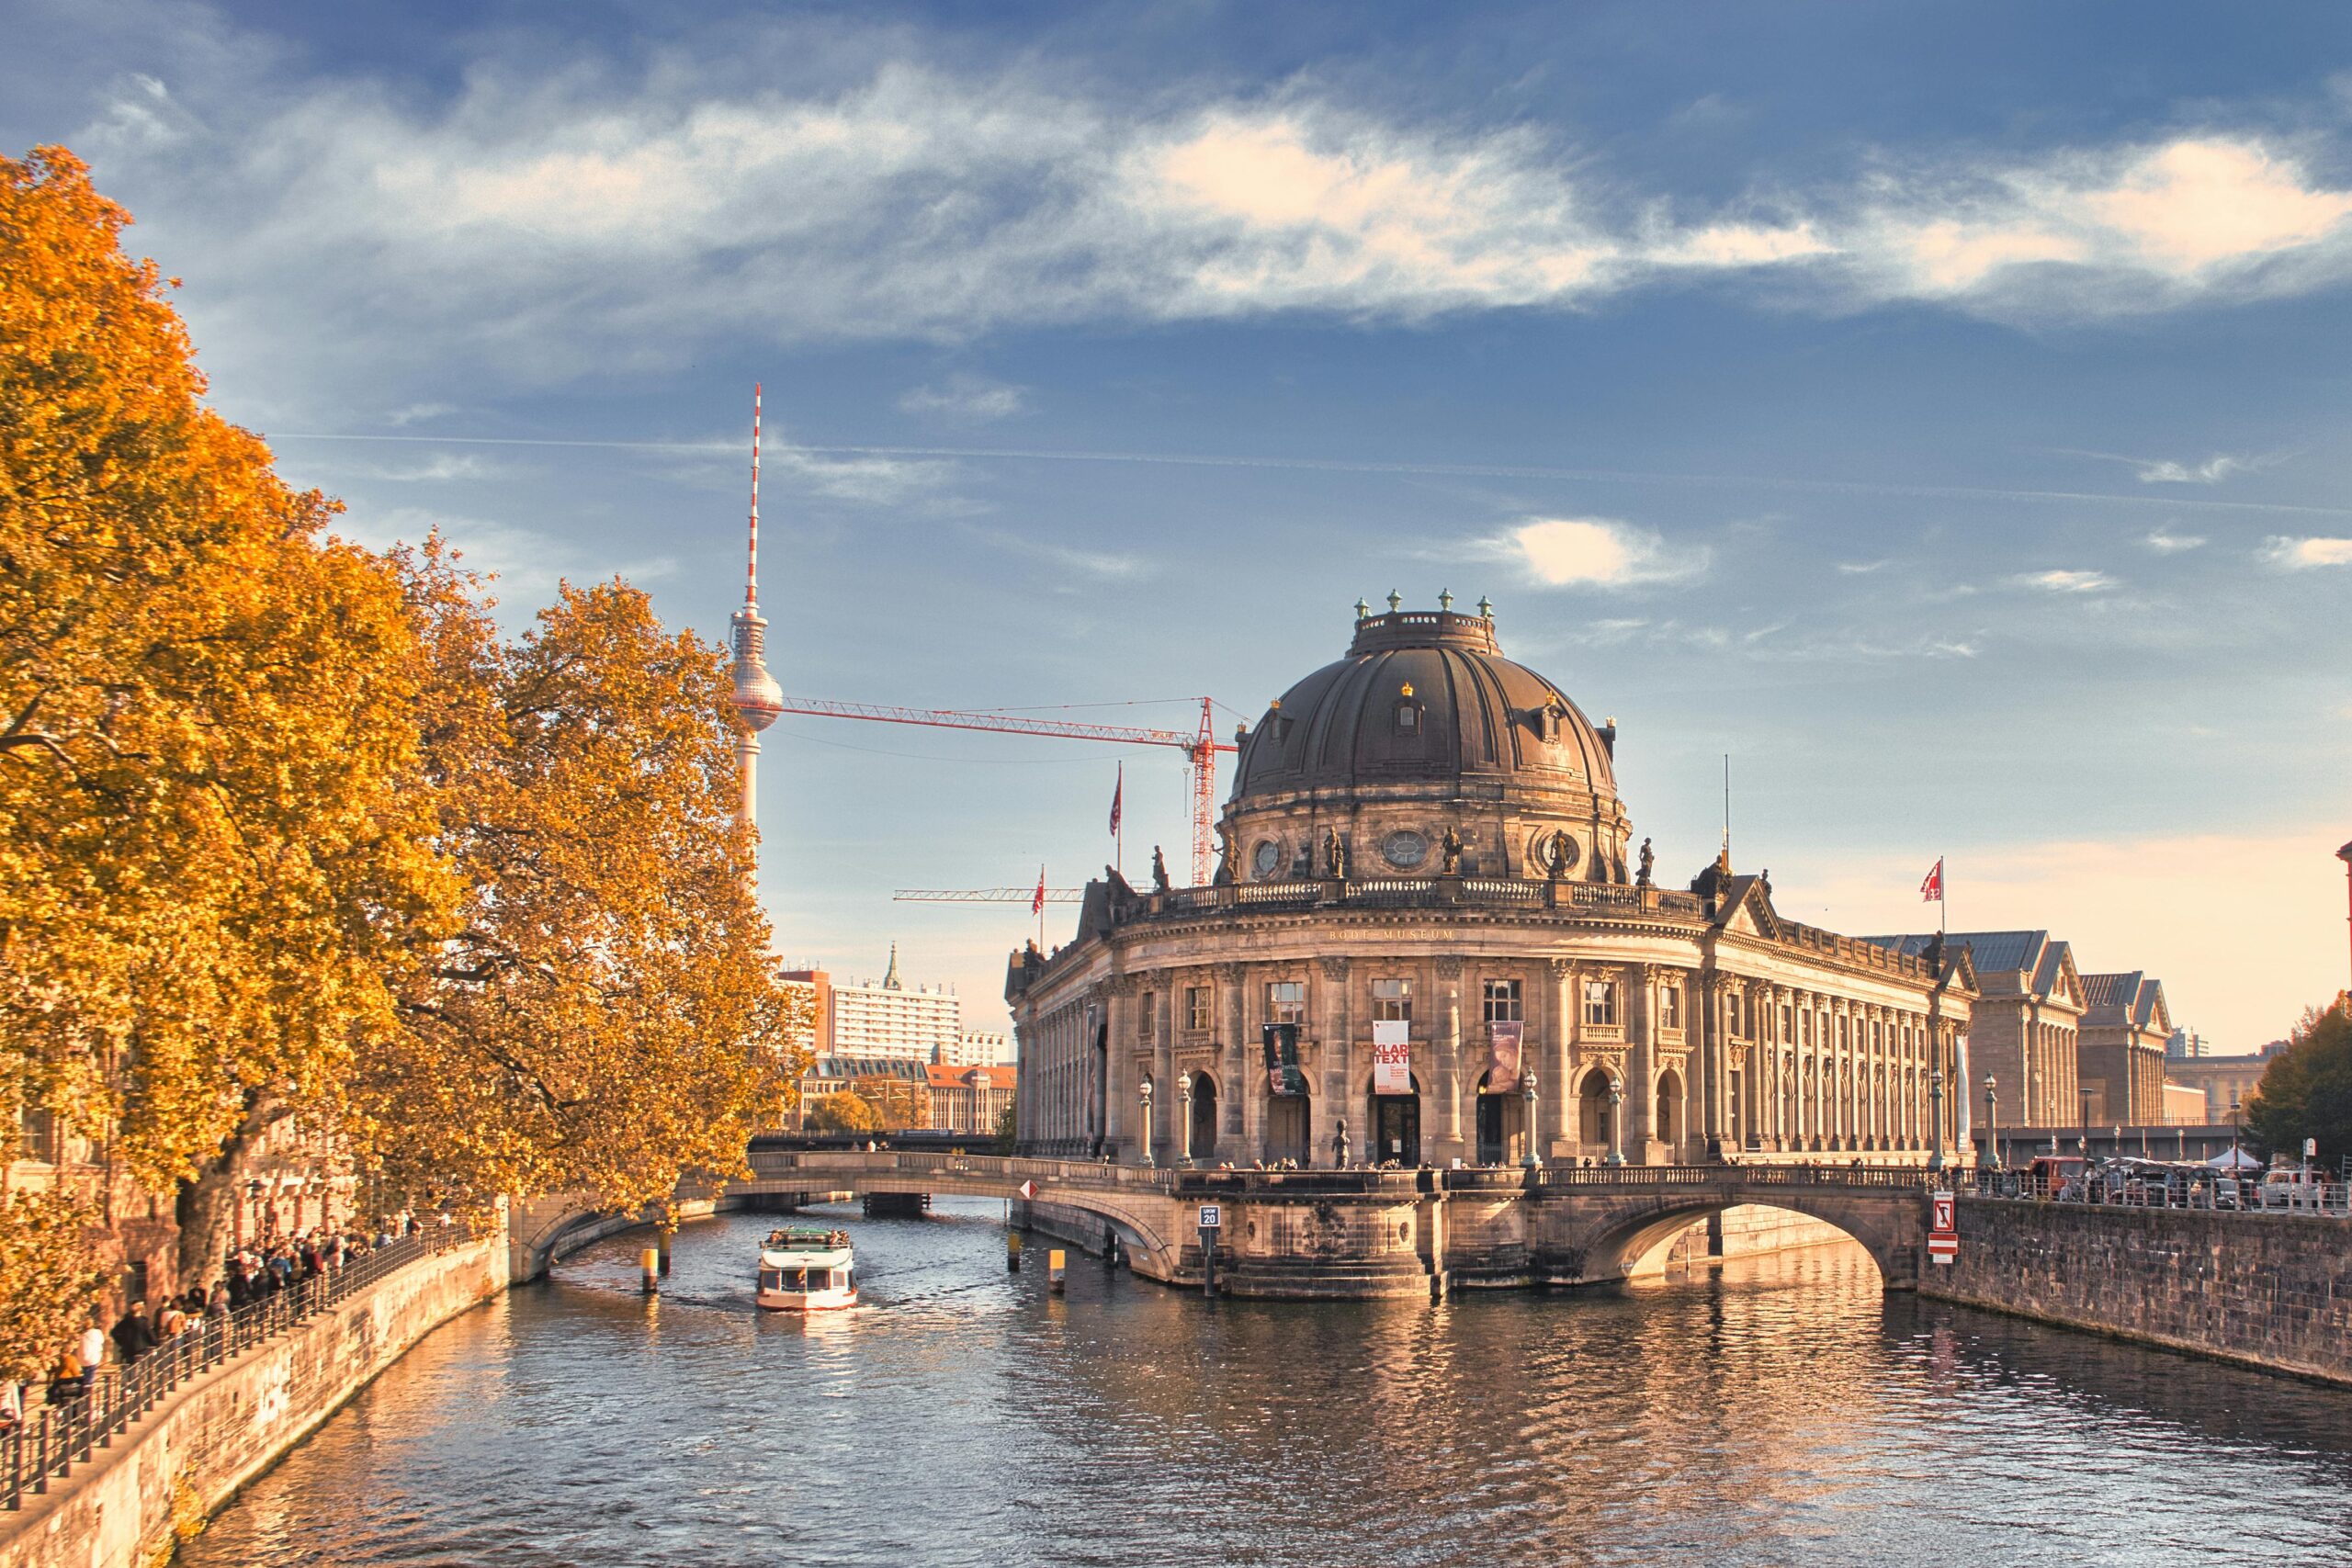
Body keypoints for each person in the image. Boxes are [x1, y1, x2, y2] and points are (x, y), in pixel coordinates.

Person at [112, 1301, 156, 1366]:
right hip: (141, 1350)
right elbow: (150, 1335)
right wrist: (155, 1344)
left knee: (130, 1370)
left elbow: (114, 1332)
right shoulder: (143, 1322)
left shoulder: (125, 1321)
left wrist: (123, 1342)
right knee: (141, 1370)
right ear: (141, 1310)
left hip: (128, 1350)